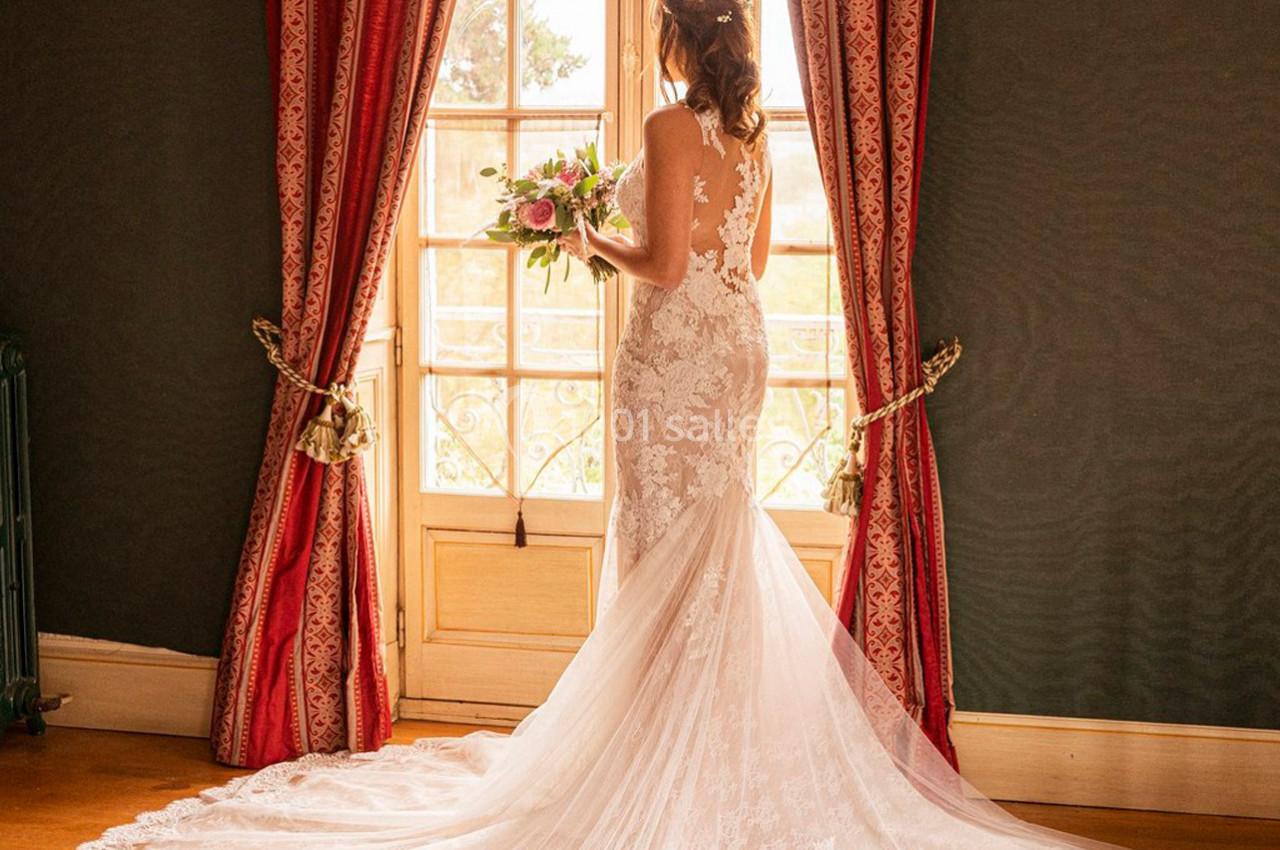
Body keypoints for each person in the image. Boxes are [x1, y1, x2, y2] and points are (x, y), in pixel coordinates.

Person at [86, 2, 1122, 847]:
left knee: (665, 545)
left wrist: (595, 238)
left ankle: (656, 747)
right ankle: (711, 744)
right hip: (738, 351)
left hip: (673, 355)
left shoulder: (668, 128)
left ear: (677, 38)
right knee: (713, 538)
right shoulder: (755, 134)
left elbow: (665, 266)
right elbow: (746, 265)